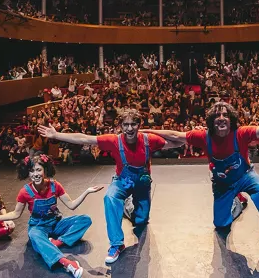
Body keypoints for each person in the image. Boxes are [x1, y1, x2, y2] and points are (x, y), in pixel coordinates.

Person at [142, 97, 259, 259]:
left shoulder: (241, 133)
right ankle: (238, 202)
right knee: (221, 225)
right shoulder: (203, 136)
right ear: (211, 121)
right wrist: (145, 132)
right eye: (217, 115)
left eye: (225, 115)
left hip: (245, 176)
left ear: (231, 120)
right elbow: (176, 135)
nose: (221, 118)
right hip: (222, 185)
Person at [37, 109, 181, 264]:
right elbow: (84, 139)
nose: (130, 128)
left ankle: (128, 209)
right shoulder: (114, 140)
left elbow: (177, 140)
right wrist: (56, 135)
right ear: (120, 126)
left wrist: (194, 135)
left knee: (141, 221)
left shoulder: (149, 140)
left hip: (142, 183)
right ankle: (117, 244)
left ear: (139, 125)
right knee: (110, 197)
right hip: (121, 181)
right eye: (126, 124)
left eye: (133, 124)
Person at [0, 154, 101, 278]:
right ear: (27, 173)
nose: (35, 174)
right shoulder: (25, 192)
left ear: (45, 170)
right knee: (34, 235)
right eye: (32, 171)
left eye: (38, 170)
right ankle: (68, 264)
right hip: (38, 226)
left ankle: (55, 243)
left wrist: (87, 191)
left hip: (56, 223)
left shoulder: (55, 186)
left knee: (85, 220)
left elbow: (71, 205)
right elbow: (15, 213)